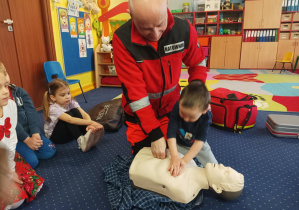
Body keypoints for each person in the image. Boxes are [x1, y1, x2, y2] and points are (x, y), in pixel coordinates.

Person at [113, 0, 208, 158]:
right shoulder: (122, 40)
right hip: (138, 114)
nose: (156, 34)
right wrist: (154, 133)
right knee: (144, 162)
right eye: (146, 29)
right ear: (131, 15)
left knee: (175, 155)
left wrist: (197, 96)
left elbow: (198, 63)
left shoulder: (184, 29)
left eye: (160, 24)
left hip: (170, 109)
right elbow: (136, 95)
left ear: (166, 5)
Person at [129, 147, 244, 204]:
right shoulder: (190, 161)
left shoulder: (185, 192)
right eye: (226, 167)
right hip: (143, 153)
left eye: (225, 172)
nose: (222, 165)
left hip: (136, 168)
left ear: (217, 188)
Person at [0, 63, 44, 209]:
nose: (5, 92)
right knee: (15, 201)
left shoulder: (10, 105)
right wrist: (6, 172)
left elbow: (11, 138)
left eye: (5, 86)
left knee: (32, 185)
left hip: (7, 156)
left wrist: (11, 168)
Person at [4, 71, 56, 169]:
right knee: (32, 162)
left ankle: (29, 149)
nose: (5, 91)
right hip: (17, 138)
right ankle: (21, 152)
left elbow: (31, 112)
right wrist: (26, 140)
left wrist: (35, 133)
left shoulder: (19, 91)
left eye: (6, 73)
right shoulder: (3, 101)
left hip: (30, 132)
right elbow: (12, 122)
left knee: (50, 150)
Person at [167, 81, 218, 176]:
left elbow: (200, 141)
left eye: (191, 117)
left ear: (205, 110)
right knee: (170, 165)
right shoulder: (177, 106)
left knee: (215, 169)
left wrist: (185, 160)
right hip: (179, 143)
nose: (186, 119)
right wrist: (174, 156)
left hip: (198, 145)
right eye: (183, 114)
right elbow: (171, 133)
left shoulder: (206, 116)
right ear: (179, 102)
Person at [43, 79, 104, 152]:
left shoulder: (71, 102)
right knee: (68, 117)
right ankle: (81, 141)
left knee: (75, 110)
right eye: (63, 95)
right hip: (57, 137)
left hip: (70, 134)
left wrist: (89, 125)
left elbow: (84, 114)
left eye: (68, 93)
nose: (67, 97)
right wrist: (92, 123)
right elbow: (70, 120)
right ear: (53, 97)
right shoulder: (53, 108)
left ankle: (88, 133)